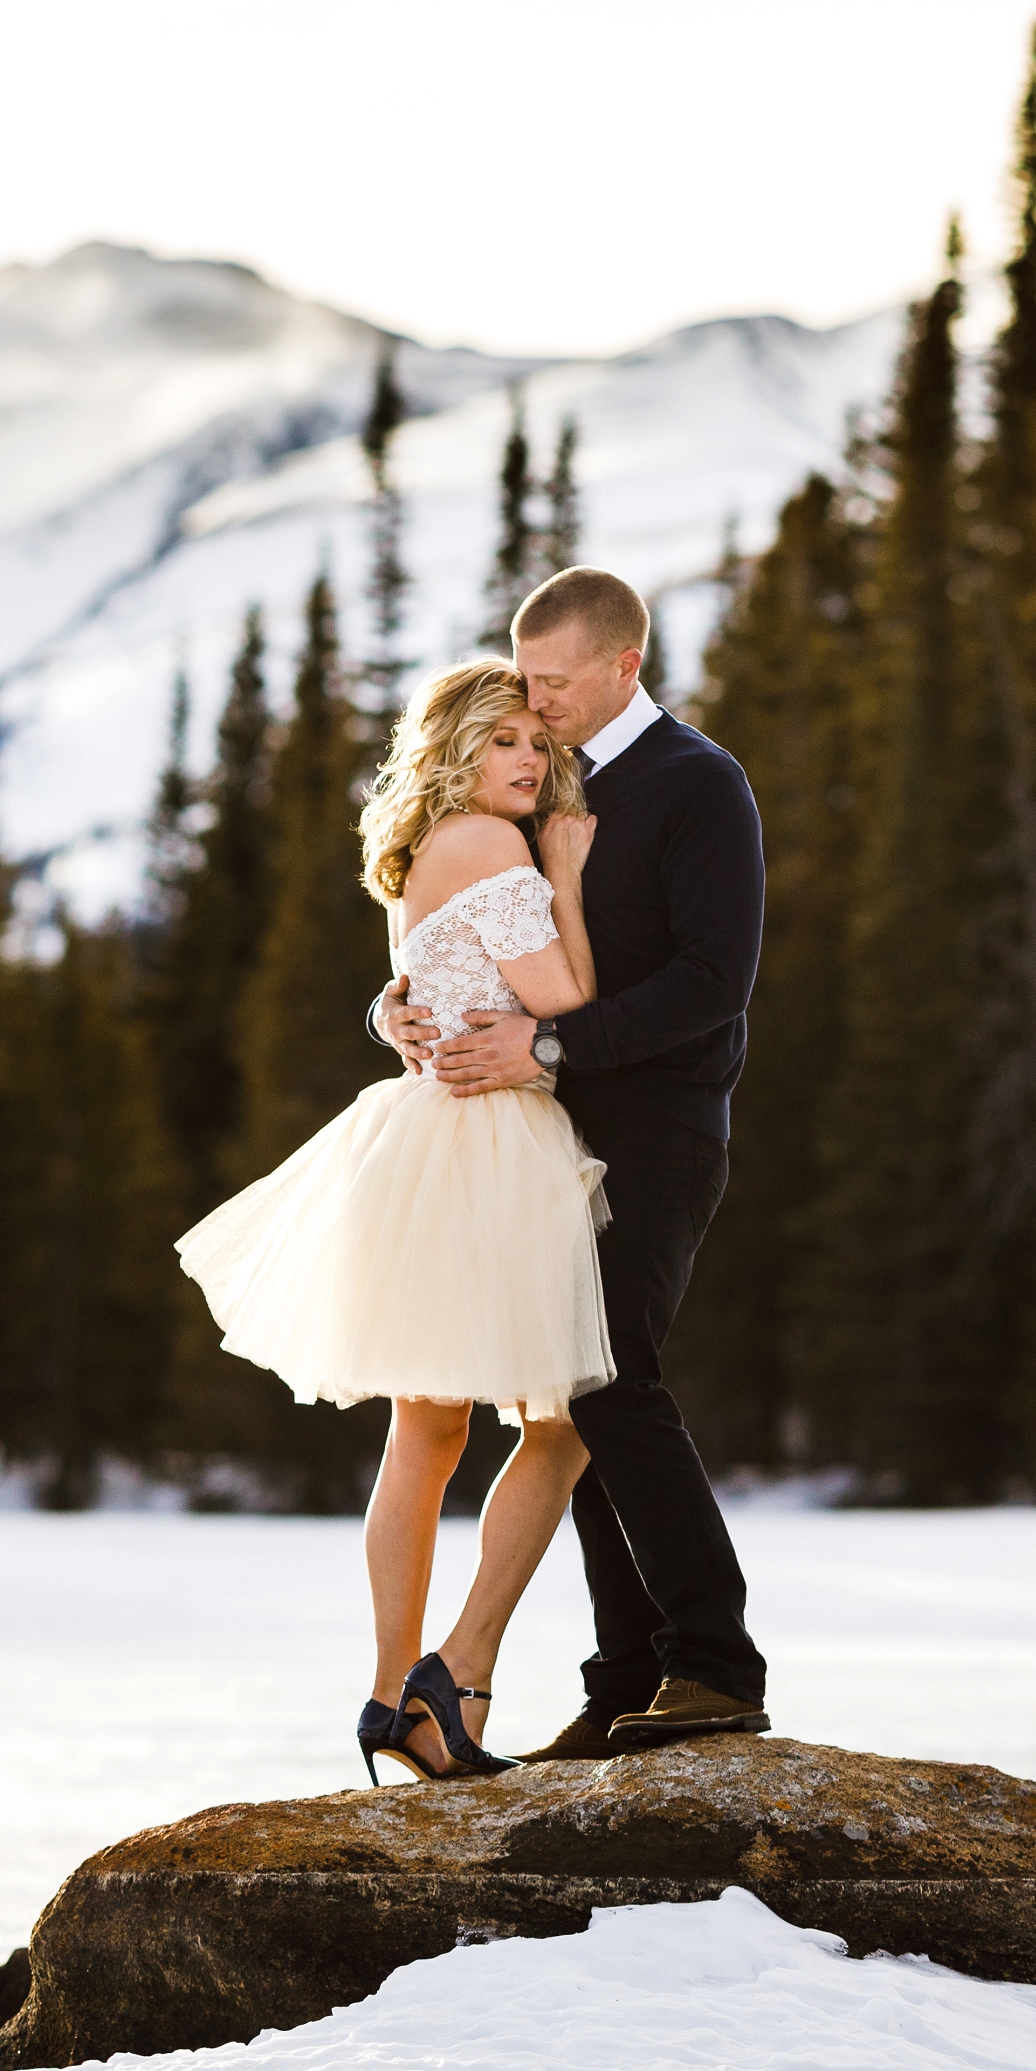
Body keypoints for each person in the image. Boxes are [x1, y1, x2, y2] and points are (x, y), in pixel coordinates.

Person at [176, 658, 614, 1783]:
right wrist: (564, 869)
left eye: (536, 741)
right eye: (505, 739)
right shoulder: (497, 844)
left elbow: (421, 988)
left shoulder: (426, 846)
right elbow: (564, 995)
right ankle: (452, 1675)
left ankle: (389, 1697)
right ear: (460, 748)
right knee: (560, 1423)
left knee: (425, 1434)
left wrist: (388, 1012)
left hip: (432, 1134)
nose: (530, 758)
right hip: (490, 1140)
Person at [378, 566, 770, 1759]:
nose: (535, 707)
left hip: (655, 1128)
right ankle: (626, 1679)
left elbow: (712, 987)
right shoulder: (534, 781)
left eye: (552, 684)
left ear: (621, 667)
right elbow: (465, 934)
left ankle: (713, 1661)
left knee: (610, 1380)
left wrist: (548, 1038)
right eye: (523, 683)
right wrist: (396, 1011)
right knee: (567, 1391)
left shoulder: (698, 785)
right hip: (542, 1136)